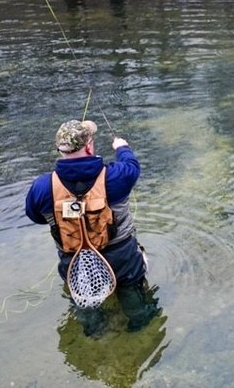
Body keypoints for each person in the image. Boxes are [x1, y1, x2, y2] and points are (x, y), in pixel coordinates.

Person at [24, 119, 157, 336]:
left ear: (61, 150)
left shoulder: (42, 187)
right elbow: (133, 166)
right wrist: (122, 147)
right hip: (121, 257)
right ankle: (142, 328)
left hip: (74, 260)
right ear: (89, 146)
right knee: (130, 288)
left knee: (84, 299)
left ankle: (96, 334)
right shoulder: (118, 176)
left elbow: (35, 217)